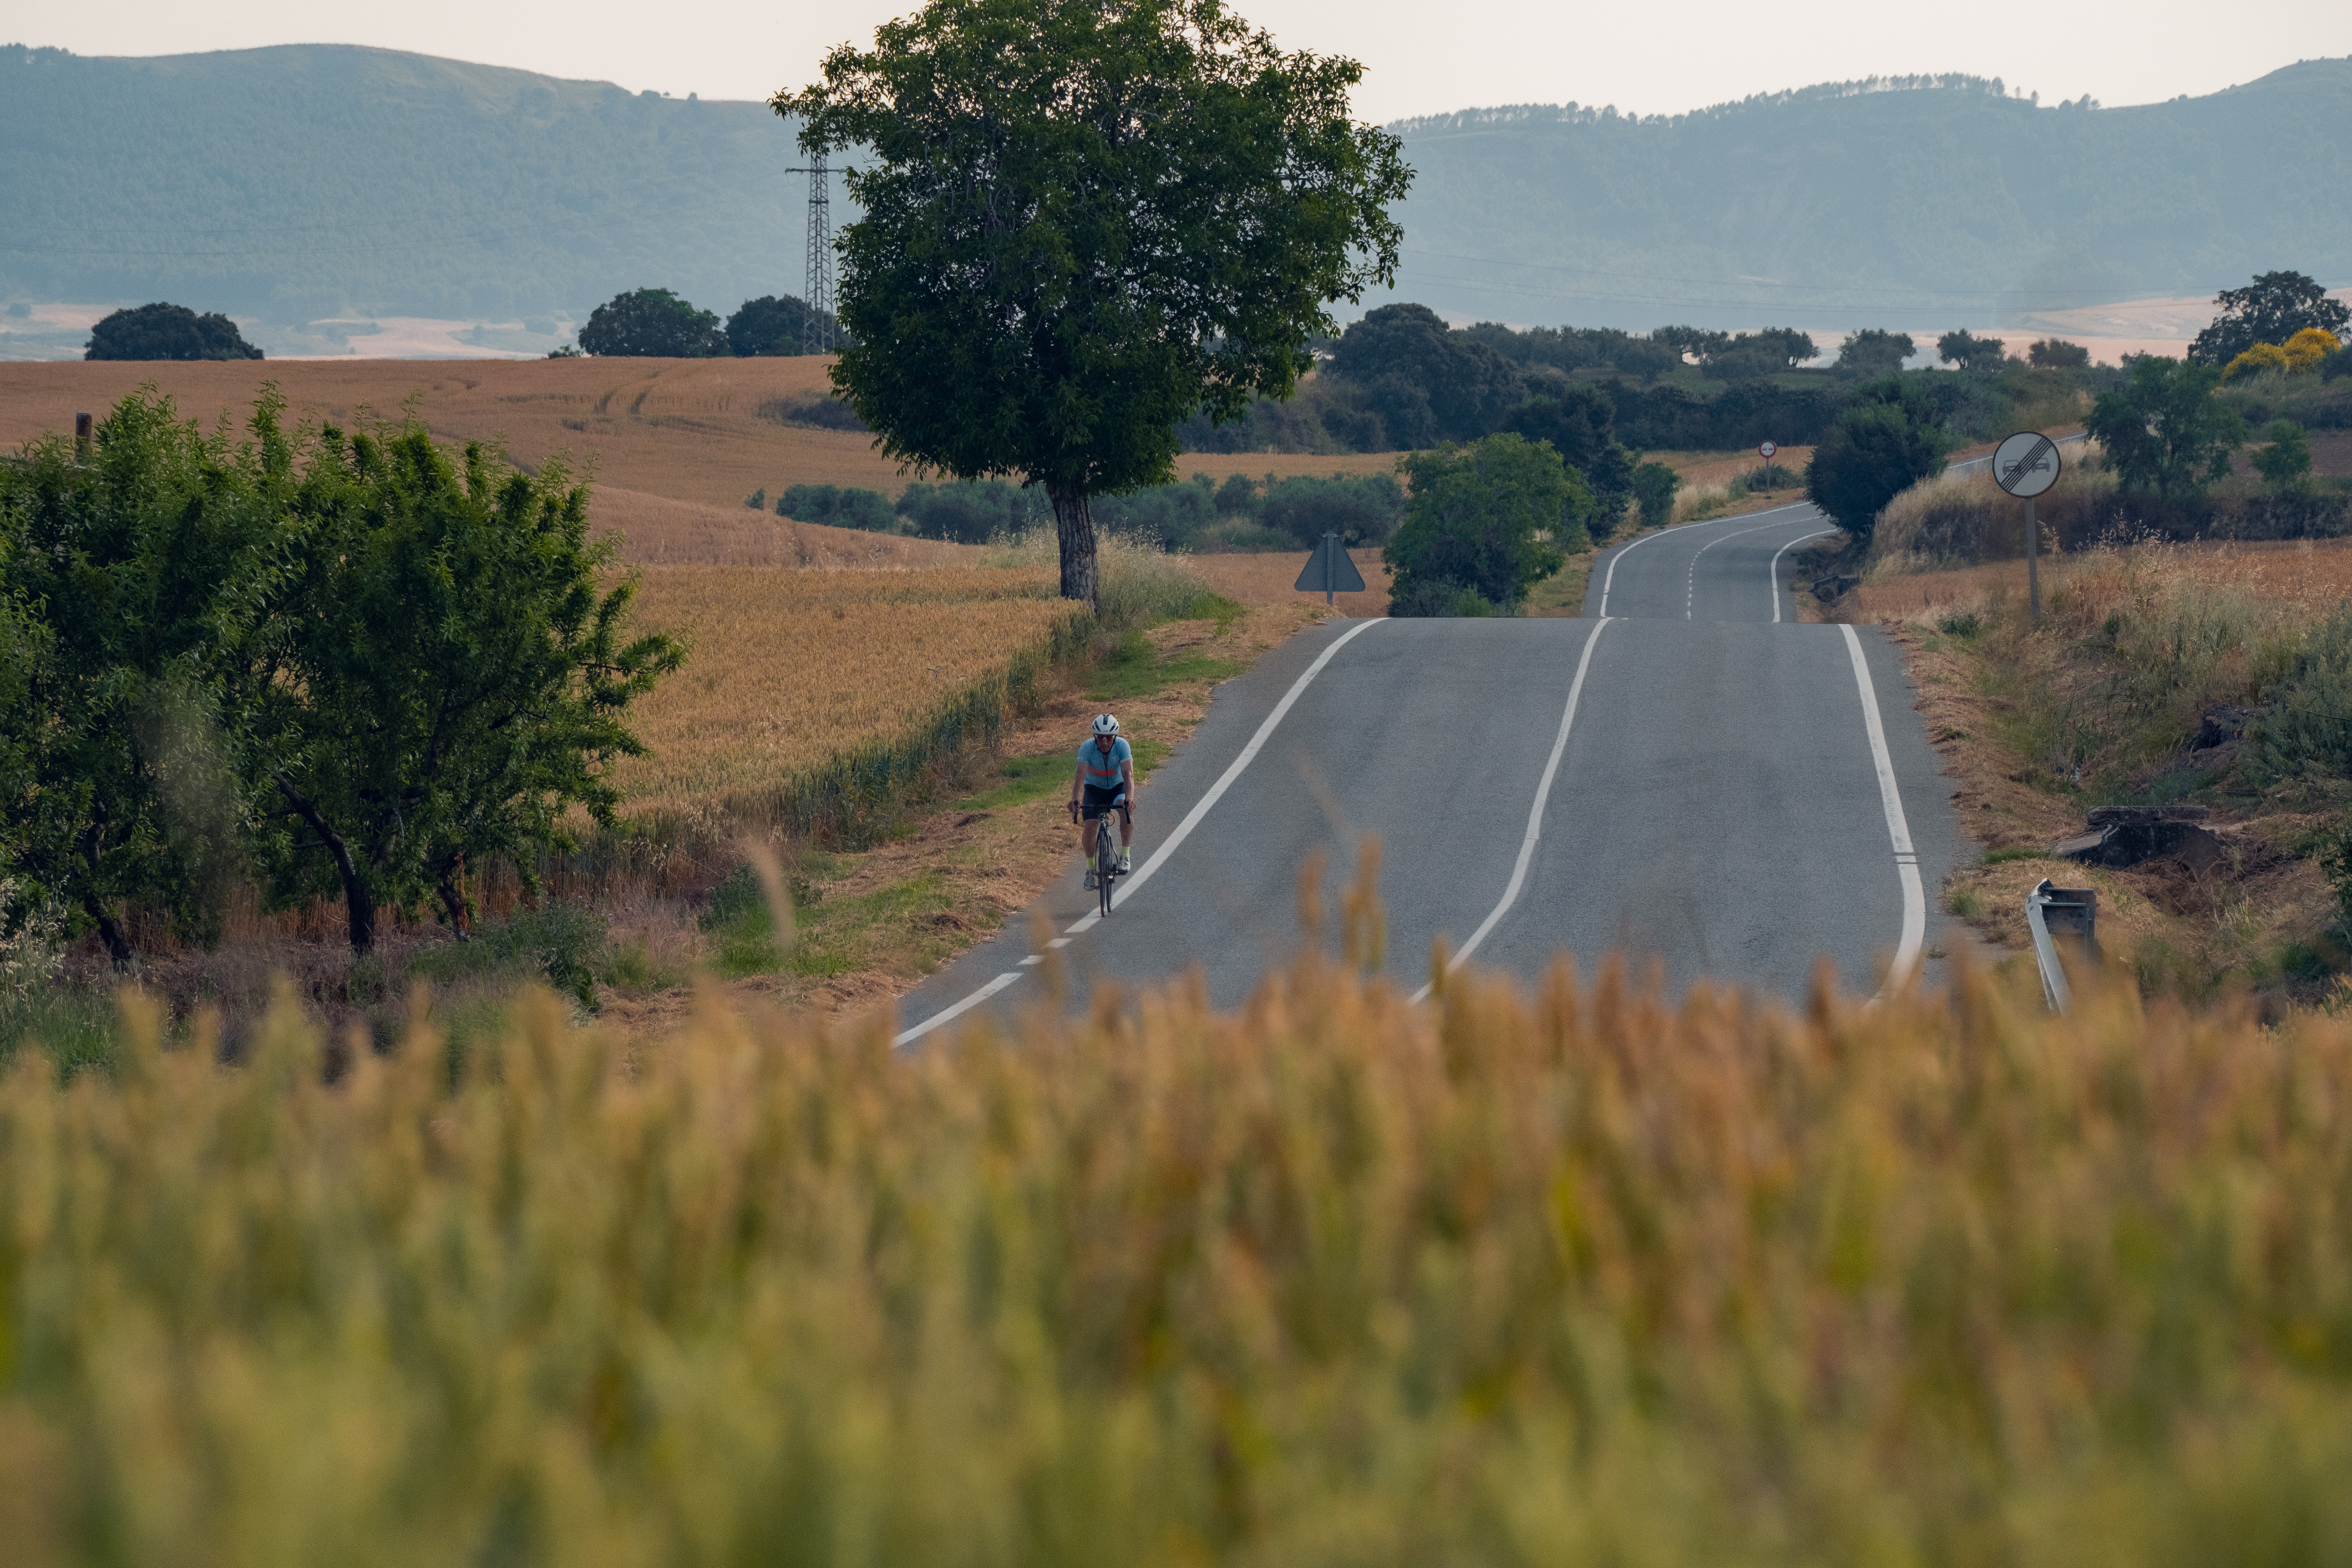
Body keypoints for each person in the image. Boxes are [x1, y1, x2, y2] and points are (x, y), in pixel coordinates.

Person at [1068, 713, 1135, 890]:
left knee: (1125, 810)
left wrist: (1129, 798)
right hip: (1094, 790)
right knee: (1090, 826)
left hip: (1117, 788)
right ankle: (1090, 870)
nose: (1104, 741)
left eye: (1108, 737)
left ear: (1115, 737)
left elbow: (1128, 775)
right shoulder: (1086, 748)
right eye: (1100, 737)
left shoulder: (1122, 746)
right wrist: (1075, 799)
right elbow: (1079, 776)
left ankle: (1125, 855)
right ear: (1094, 737)